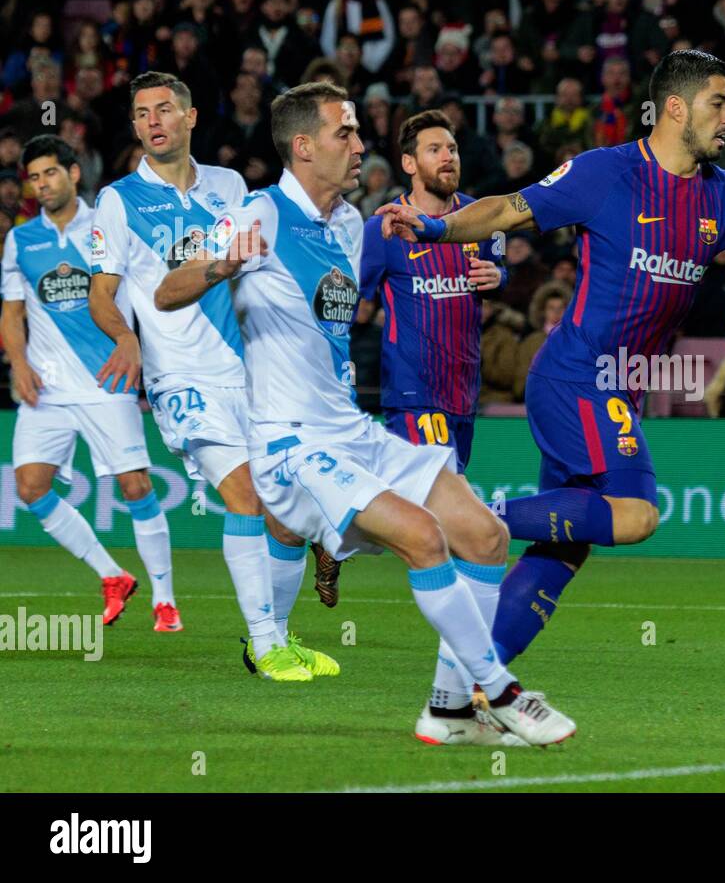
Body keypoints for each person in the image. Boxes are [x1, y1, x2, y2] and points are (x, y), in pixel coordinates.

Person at [375, 49, 725, 665]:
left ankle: (471, 682)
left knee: (564, 548)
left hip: (619, 387)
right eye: (719, 102)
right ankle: (463, 515)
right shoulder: (606, 173)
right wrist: (437, 229)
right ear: (675, 107)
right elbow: (508, 209)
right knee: (635, 516)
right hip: (574, 375)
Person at [154, 81, 575, 747]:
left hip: (349, 429)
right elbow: (166, 289)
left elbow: (337, 327)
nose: (358, 145)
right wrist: (220, 265)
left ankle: (447, 712)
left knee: (486, 536)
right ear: (302, 147)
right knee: (423, 536)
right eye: (343, 133)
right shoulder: (256, 212)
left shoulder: (352, 225)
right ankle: (500, 692)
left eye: (355, 131)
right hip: (290, 444)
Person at [89, 73, 329, 681]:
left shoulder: (229, 186)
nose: (152, 122)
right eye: (142, 113)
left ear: (191, 118)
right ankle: (265, 644)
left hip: (251, 374)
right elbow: (101, 292)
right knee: (247, 496)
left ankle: (271, 637)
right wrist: (125, 338)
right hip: (183, 379)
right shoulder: (118, 201)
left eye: (164, 109)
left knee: (290, 513)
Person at [308, 110, 507, 606]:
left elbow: (499, 267)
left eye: (453, 149)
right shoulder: (387, 230)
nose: (448, 157)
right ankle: (471, 646)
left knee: (416, 509)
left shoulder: (479, 220)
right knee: (457, 519)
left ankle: (336, 535)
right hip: (415, 393)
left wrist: (498, 277)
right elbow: (348, 302)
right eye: (435, 149)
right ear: (409, 163)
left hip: (464, 393)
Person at [2, 135, 174, 629]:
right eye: (33, 178)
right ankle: (112, 575)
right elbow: (12, 314)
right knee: (30, 486)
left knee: (135, 484)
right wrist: (18, 363)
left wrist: (137, 347)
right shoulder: (21, 240)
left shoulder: (107, 225)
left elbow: (142, 294)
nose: (41, 185)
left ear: (74, 173)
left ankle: (164, 597)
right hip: (48, 388)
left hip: (105, 380)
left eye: (50, 173)